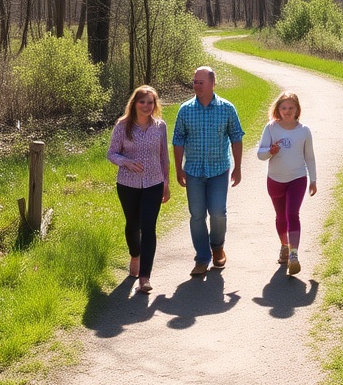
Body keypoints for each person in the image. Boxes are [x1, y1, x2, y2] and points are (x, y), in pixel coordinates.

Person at [172, 66, 244, 276]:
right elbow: (178, 140)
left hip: (218, 170)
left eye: (200, 82)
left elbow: (236, 138)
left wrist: (238, 168)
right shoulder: (185, 110)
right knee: (196, 215)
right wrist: (178, 169)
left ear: (213, 83)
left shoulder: (227, 108)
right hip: (193, 170)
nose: (196, 86)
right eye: (194, 82)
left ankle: (218, 247)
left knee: (218, 212)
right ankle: (202, 258)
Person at [107, 85, 170, 294]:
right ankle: (135, 254)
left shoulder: (160, 126)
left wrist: (166, 183)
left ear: (155, 104)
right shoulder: (122, 126)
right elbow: (112, 153)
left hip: (154, 182)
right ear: (134, 103)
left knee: (149, 227)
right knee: (133, 224)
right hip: (128, 184)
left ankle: (145, 276)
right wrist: (126, 162)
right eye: (142, 102)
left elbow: (164, 157)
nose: (146, 106)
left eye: (150, 102)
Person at [256, 91, 317, 276]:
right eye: (284, 108)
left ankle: (293, 255)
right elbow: (260, 154)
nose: (287, 111)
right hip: (275, 180)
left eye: (291, 108)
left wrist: (313, 180)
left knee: (292, 214)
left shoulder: (304, 131)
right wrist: (270, 151)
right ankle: (284, 245)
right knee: (281, 216)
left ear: (297, 109)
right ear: (278, 109)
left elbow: (310, 157)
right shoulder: (271, 128)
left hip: (298, 178)